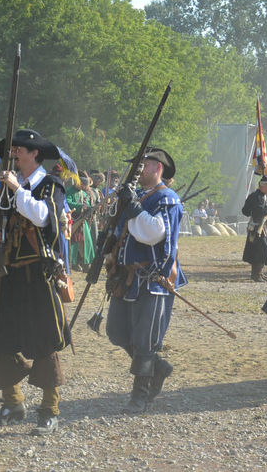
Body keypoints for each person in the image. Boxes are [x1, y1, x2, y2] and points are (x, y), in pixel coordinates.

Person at [0, 129, 72, 435]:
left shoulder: (49, 185)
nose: (14, 154)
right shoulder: (9, 187)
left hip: (38, 276)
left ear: (35, 154)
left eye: (20, 150)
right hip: (11, 274)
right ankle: (13, 402)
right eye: (13, 150)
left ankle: (49, 409)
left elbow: (44, 218)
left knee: (45, 343)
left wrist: (17, 189)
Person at [105, 147, 185, 414]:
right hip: (126, 278)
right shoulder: (136, 196)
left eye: (144, 165)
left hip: (153, 279)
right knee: (116, 331)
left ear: (158, 168)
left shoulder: (168, 199)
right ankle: (159, 368)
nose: (138, 170)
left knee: (145, 340)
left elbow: (155, 234)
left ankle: (140, 395)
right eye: (137, 165)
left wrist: (135, 207)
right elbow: (122, 231)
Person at [242, 175, 267, 281]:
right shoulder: (256, 197)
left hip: (262, 227)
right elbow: (258, 212)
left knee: (261, 251)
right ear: (264, 186)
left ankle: (259, 273)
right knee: (259, 252)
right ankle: (256, 274)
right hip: (256, 228)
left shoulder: (263, 196)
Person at [66, 172, 95, 272]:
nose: (83, 187)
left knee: (86, 242)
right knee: (73, 242)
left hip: (82, 220)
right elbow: (68, 203)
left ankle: (87, 263)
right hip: (72, 220)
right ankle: (72, 263)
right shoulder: (69, 191)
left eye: (84, 186)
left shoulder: (83, 193)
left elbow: (86, 204)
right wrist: (79, 207)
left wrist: (91, 208)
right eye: (82, 184)